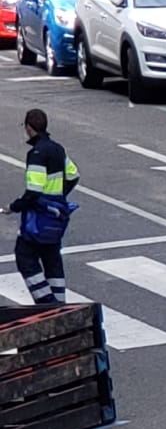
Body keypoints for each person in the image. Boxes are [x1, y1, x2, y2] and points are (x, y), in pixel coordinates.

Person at [10, 108, 79, 305]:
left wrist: (14, 206)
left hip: (38, 217)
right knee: (51, 256)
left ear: (29, 128)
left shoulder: (36, 154)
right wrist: (59, 196)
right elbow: (73, 175)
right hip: (57, 214)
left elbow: (33, 191)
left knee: (25, 256)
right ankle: (59, 302)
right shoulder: (58, 149)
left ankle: (46, 302)